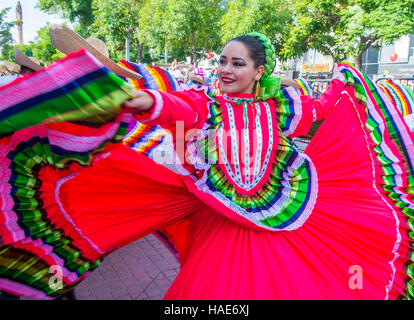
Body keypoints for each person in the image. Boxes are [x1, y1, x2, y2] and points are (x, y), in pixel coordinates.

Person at [0, 32, 413, 300]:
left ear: (258, 71)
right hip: (222, 231)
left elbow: (322, 110)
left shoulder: (284, 110)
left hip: (279, 226)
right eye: (222, 62)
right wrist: (134, 99)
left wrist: (345, 81)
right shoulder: (207, 105)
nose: (225, 70)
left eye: (237, 64)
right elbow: (168, 104)